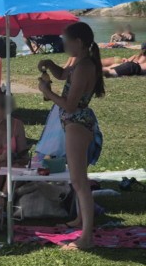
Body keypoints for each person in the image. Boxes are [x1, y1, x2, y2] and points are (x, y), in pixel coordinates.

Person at [38, 21, 105, 251]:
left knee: (79, 181)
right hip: (74, 124)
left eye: (65, 40)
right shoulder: (79, 62)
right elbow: (62, 75)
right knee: (78, 179)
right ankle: (79, 219)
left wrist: (47, 92)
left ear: (78, 42)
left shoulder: (85, 66)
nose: (63, 44)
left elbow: (70, 105)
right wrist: (50, 64)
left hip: (77, 124)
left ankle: (86, 237)